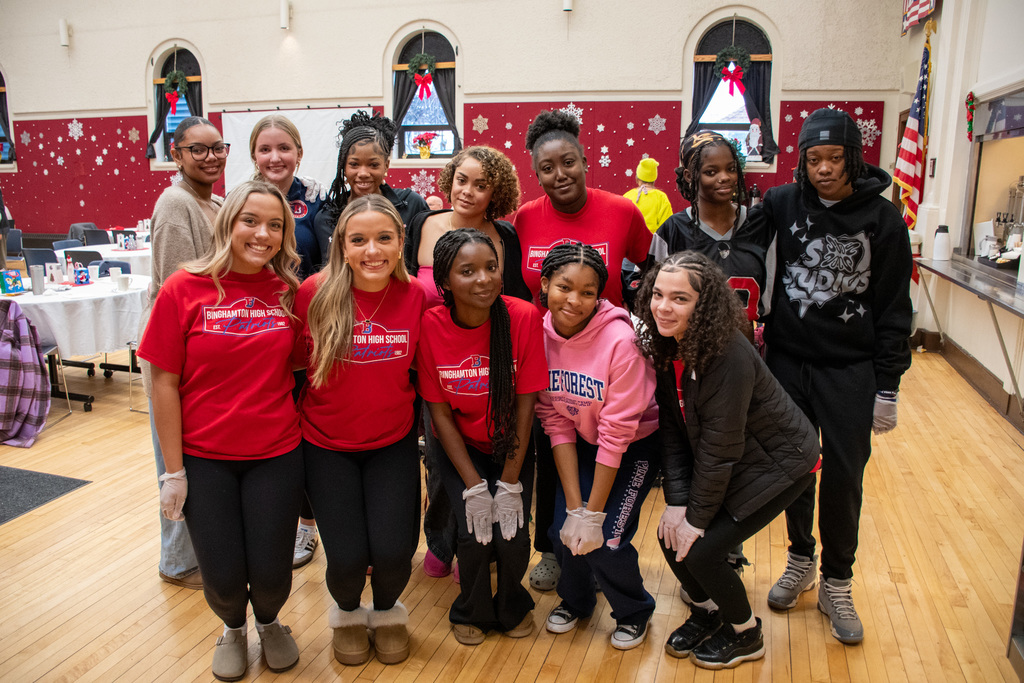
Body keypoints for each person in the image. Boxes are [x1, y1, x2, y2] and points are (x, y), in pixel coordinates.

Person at [756, 108, 913, 644]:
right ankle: (800, 558)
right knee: (797, 469)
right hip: (786, 361)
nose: (824, 169)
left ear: (854, 157)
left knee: (845, 476)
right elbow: (736, 248)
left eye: (834, 158)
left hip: (851, 368)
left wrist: (888, 384)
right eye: (813, 158)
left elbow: (895, 306)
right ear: (801, 160)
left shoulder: (886, 221)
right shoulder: (780, 203)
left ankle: (836, 581)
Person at [138, 180, 304, 681]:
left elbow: (299, 376)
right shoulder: (182, 288)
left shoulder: (288, 293)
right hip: (205, 458)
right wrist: (173, 473)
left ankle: (271, 621)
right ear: (226, 223)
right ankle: (233, 627)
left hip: (275, 453)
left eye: (276, 225)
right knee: (225, 576)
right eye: (250, 221)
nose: (263, 234)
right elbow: (163, 385)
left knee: (273, 574)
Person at [635, 251, 820, 669]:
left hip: (784, 463)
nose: (664, 307)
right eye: (658, 294)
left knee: (700, 550)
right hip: (738, 455)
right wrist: (679, 502)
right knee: (670, 532)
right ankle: (707, 612)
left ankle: (746, 633)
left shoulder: (728, 354)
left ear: (705, 305)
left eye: (680, 298)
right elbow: (673, 433)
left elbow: (720, 451)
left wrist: (697, 520)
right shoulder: (668, 343)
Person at [516, 109, 652, 591]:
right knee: (555, 456)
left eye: (568, 162)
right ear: (536, 175)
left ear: (585, 160)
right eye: (547, 168)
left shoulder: (621, 211)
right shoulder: (525, 218)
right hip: (551, 359)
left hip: (609, 362)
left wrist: (640, 332)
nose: (560, 175)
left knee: (608, 454)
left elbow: (650, 269)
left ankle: (598, 551)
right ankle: (555, 552)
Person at [295, 194, 426, 666]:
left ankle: (388, 612)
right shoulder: (314, 292)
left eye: (384, 238)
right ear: (341, 246)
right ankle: (348, 614)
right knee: (347, 560)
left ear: (400, 242)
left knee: (395, 553)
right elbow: (290, 367)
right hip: (326, 446)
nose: (373, 250)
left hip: (392, 443)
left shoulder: (417, 296)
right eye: (359, 240)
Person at [416, 228, 548, 645]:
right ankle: (470, 609)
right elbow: (438, 412)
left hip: (511, 443)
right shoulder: (431, 325)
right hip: (459, 447)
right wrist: (473, 484)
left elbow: (526, 406)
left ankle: (512, 604)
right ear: (445, 281)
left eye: (491, 268)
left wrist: (510, 481)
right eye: (467, 271)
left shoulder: (522, 317)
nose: (484, 279)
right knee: (474, 533)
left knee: (512, 533)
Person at [405, 146, 530, 579]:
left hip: (487, 367)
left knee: (489, 458)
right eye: (462, 180)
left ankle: (481, 548)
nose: (469, 191)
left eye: (481, 184)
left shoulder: (506, 236)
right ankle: (442, 540)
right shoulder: (422, 224)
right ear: (449, 180)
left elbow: (511, 301)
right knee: (439, 462)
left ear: (496, 192)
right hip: (431, 361)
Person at [535, 243, 660, 650]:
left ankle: (634, 609)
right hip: (581, 440)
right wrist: (575, 508)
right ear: (544, 284)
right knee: (561, 531)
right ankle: (577, 600)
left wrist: (592, 514)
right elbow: (555, 420)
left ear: (599, 296)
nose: (574, 301)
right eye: (564, 288)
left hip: (633, 448)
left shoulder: (621, 341)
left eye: (588, 293)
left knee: (604, 538)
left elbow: (616, 434)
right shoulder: (539, 336)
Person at [142, 115, 229, 590]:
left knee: (192, 461)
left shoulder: (211, 201)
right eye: (199, 149)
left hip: (202, 352)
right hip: (177, 354)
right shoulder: (176, 204)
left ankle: (195, 554)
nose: (211, 156)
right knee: (173, 462)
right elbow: (177, 290)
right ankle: (177, 563)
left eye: (218, 147)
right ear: (176, 154)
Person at [249, 113, 325, 569]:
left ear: (298, 152)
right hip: (256, 332)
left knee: (310, 432)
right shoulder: (241, 201)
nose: (275, 157)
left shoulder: (317, 200)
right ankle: (269, 521)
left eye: (284, 148)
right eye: (265, 149)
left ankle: (309, 525)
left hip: (309, 333)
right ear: (254, 156)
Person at [645, 131, 773, 328]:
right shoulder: (672, 231)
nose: (725, 177)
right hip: (686, 349)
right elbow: (652, 301)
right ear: (689, 175)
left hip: (745, 349)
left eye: (731, 169)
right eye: (711, 172)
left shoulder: (760, 223)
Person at [313, 110, 428, 262]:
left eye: (373, 165)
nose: (363, 173)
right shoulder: (327, 217)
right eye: (354, 164)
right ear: (343, 167)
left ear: (386, 166)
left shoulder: (411, 206)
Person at [623, 157, 673, 234]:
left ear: (637, 179)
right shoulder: (661, 197)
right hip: (653, 243)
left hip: (631, 242)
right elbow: (667, 226)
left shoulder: (627, 196)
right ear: (654, 179)